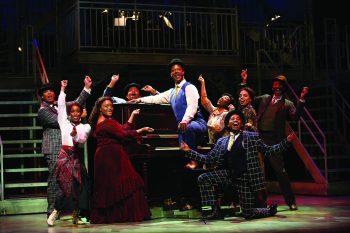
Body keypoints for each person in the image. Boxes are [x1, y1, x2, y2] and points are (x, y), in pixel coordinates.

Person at [180, 110, 296, 220]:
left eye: (238, 119)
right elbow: (209, 159)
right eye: (232, 119)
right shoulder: (222, 141)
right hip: (228, 175)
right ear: (228, 124)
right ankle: (211, 211)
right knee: (203, 178)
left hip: (244, 178)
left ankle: (269, 210)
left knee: (248, 214)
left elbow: (269, 150)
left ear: (241, 124)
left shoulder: (251, 137)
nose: (235, 120)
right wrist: (189, 151)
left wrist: (286, 142)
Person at [129, 58, 208, 170]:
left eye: (178, 70)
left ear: (183, 72)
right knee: (182, 146)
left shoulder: (189, 87)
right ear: (171, 74)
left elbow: (192, 106)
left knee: (188, 127)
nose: (176, 72)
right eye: (173, 70)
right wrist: (139, 100)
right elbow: (156, 98)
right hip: (183, 128)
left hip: (197, 123)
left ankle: (194, 161)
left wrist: (185, 120)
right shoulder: (172, 92)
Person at [88, 96, 154, 223]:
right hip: (112, 156)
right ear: (100, 108)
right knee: (126, 182)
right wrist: (140, 130)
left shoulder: (103, 121)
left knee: (110, 185)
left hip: (105, 155)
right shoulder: (108, 122)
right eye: (106, 106)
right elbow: (123, 134)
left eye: (111, 106)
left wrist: (132, 116)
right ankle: (122, 215)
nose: (110, 108)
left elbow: (121, 130)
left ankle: (113, 215)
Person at [250, 74, 309, 211]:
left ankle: (290, 201)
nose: (277, 87)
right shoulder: (265, 98)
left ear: (284, 88)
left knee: (280, 171)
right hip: (259, 137)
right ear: (272, 87)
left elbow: (295, 117)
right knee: (255, 169)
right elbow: (250, 99)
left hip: (274, 140)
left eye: (280, 85)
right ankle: (258, 201)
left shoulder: (287, 104)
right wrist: (244, 82)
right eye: (275, 84)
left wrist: (302, 99)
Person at [37, 76, 92, 219]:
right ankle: (52, 211)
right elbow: (60, 121)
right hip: (54, 149)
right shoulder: (43, 111)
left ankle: (74, 211)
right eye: (46, 92)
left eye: (51, 91)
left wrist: (86, 88)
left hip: (68, 149)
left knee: (76, 179)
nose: (49, 93)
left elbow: (75, 104)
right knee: (55, 180)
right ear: (42, 96)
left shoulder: (58, 106)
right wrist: (76, 116)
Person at [198, 74, 234, 145]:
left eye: (225, 98)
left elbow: (220, 129)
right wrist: (203, 83)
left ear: (228, 104)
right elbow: (204, 99)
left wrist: (230, 112)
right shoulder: (214, 110)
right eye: (222, 97)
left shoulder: (226, 114)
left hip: (223, 143)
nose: (221, 98)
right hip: (212, 142)